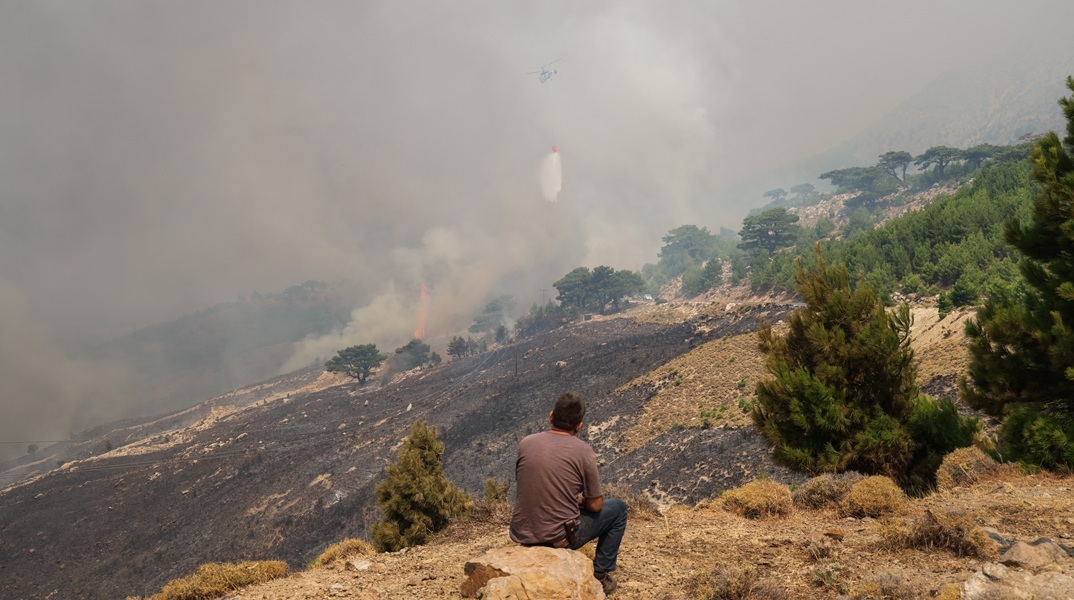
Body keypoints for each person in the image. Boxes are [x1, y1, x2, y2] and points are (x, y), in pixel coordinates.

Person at [509, 392, 627, 595]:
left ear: (551, 416)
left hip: (522, 532)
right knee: (619, 509)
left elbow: (535, 485)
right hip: (558, 537)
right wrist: (578, 499)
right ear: (579, 426)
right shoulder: (583, 452)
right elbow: (595, 506)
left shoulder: (526, 443)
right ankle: (600, 575)